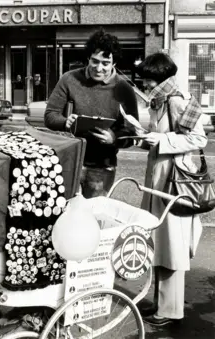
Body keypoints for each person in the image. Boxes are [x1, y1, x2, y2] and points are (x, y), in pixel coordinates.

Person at [135, 52, 207, 327]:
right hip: (160, 182)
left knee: (172, 246)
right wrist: (145, 137)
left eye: (148, 79)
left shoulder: (177, 100)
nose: (144, 84)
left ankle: (171, 310)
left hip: (175, 184)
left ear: (159, 78)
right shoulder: (161, 100)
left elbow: (198, 138)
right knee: (161, 244)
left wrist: (162, 139)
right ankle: (161, 305)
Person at [44, 28, 139, 198]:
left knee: (94, 216)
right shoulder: (69, 79)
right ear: (88, 58)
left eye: (105, 63)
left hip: (102, 166)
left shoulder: (124, 89)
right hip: (69, 160)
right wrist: (64, 122)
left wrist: (114, 138)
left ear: (114, 63)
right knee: (63, 214)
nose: (98, 67)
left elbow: (133, 132)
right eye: (94, 61)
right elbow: (50, 115)